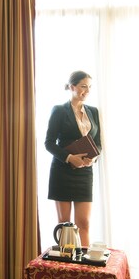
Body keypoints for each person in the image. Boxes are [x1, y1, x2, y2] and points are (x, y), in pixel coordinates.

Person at [44, 70, 102, 247]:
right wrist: (69, 157)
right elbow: (49, 143)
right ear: (72, 87)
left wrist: (93, 158)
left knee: (84, 223)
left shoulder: (93, 112)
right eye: (83, 86)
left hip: (85, 173)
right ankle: (66, 262)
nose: (87, 91)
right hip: (62, 171)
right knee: (65, 224)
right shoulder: (59, 111)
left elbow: (98, 144)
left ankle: (83, 262)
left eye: (90, 87)